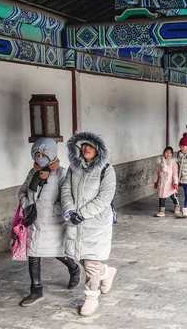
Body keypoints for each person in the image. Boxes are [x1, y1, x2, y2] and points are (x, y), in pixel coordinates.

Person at [18, 138, 79, 307]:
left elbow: (68, 197)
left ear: (52, 155)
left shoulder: (62, 173)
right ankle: (36, 290)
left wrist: (54, 210)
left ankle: (74, 269)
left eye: (44, 154)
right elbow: (22, 191)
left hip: (53, 222)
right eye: (37, 154)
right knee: (33, 254)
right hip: (34, 221)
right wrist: (27, 205)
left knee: (57, 252)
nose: (40, 157)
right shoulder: (32, 173)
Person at [61, 132, 117, 316]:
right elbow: (66, 189)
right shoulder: (73, 168)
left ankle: (91, 297)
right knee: (83, 259)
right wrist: (70, 211)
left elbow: (104, 198)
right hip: (75, 220)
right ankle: (106, 272)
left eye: (91, 146)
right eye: (84, 146)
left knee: (91, 262)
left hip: (96, 222)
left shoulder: (106, 170)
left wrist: (82, 214)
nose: (86, 149)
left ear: (98, 150)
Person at [153, 147, 180, 217]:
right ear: (164, 153)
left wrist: (175, 183)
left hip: (170, 183)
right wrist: (155, 182)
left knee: (173, 196)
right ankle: (161, 210)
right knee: (161, 196)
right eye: (166, 152)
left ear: (172, 154)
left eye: (170, 153)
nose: (168, 154)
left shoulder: (173, 163)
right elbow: (157, 173)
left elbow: (175, 173)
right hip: (162, 183)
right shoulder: (160, 162)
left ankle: (176, 205)